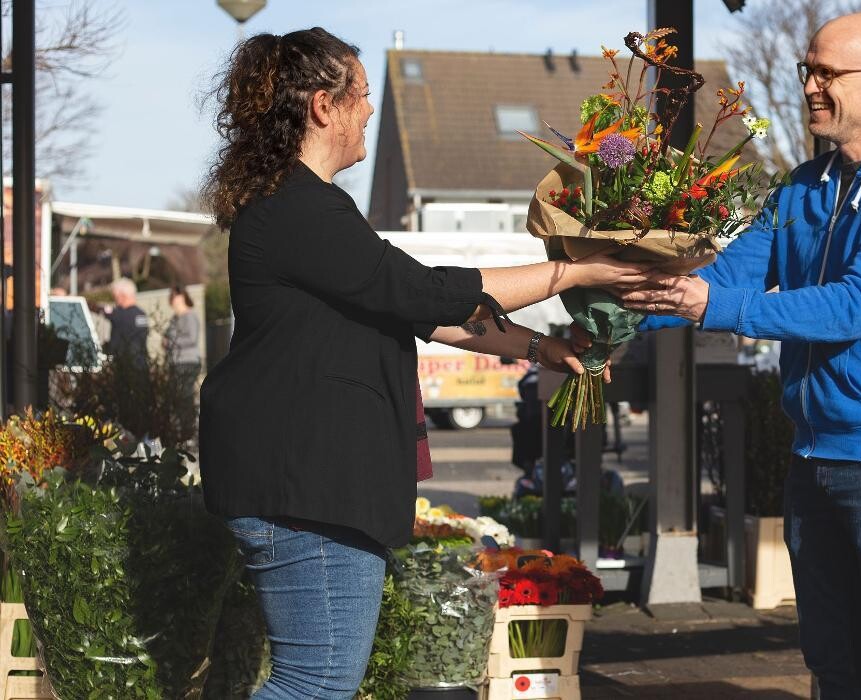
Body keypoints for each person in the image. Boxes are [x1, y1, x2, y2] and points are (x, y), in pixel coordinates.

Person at [198, 27, 649, 699]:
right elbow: (421, 291)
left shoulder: (305, 207)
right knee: (314, 683)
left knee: (313, 680)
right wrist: (569, 270)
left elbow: (418, 311)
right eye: (362, 95)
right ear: (324, 105)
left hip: (301, 481)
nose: (371, 112)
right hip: (304, 487)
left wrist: (540, 347)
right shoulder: (296, 209)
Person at [616, 12, 861, 699]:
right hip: (813, 456)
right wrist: (610, 322)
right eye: (807, 71)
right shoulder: (801, 186)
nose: (812, 87)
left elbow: (853, 305)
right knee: (832, 659)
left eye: (827, 73)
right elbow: (726, 281)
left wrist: (712, 308)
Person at [163, 285, 201, 414]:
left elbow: (191, 338)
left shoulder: (189, 316)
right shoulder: (174, 319)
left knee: (185, 396)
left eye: (178, 299)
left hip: (187, 362)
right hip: (175, 362)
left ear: (184, 299)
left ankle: (188, 424)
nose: (175, 302)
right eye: (173, 299)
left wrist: (171, 343)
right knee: (177, 397)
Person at [103, 277, 148, 366]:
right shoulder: (141, 314)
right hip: (141, 364)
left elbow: (104, 310)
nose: (115, 300)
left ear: (122, 295)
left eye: (115, 296)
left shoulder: (121, 315)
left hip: (126, 366)